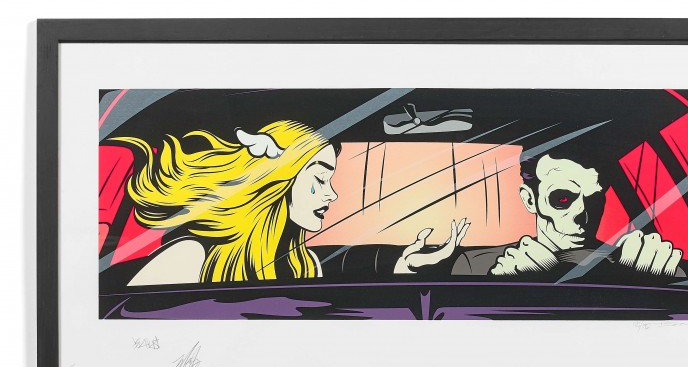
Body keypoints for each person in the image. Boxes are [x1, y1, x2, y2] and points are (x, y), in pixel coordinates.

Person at [117, 121, 468, 286]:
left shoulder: (303, 263)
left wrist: (405, 266)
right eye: (320, 178)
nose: (332, 194)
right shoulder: (190, 256)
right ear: (277, 179)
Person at [451, 148, 684, 279]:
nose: (582, 215)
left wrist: (647, 281)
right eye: (562, 198)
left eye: (593, 199)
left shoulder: (643, 262)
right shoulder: (476, 265)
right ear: (530, 200)